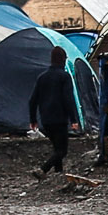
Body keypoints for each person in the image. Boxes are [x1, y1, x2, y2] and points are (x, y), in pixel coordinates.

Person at [29, 44, 76, 173]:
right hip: (60, 119)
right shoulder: (64, 77)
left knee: (56, 148)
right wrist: (74, 119)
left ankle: (58, 174)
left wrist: (33, 119)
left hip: (46, 119)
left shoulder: (42, 77)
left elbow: (33, 100)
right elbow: (68, 99)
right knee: (62, 151)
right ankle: (43, 169)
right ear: (63, 59)